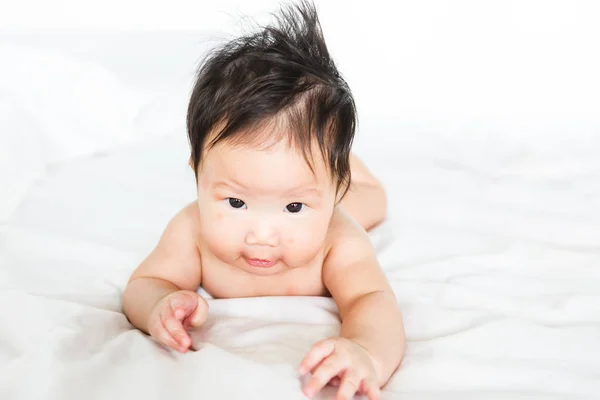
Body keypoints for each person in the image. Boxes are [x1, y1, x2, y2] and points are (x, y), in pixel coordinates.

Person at [122, 2, 404, 399]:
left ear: (332, 194)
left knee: (372, 201)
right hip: (323, 190)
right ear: (198, 176)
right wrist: (159, 304)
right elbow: (145, 283)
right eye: (236, 202)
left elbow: (371, 300)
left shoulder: (339, 239)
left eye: (293, 208)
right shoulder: (191, 230)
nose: (262, 235)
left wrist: (366, 351)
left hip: (345, 204)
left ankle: (351, 170)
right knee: (298, 181)